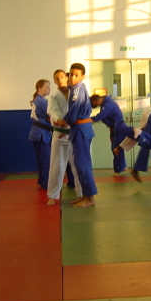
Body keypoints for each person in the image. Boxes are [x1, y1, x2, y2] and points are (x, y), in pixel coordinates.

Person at [56, 63, 97, 207]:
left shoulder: (77, 90)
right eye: (71, 74)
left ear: (82, 77)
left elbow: (73, 111)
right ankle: (86, 195)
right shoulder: (77, 88)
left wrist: (64, 121)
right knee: (81, 163)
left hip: (81, 128)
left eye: (76, 75)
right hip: (79, 128)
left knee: (82, 163)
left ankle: (89, 198)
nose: (73, 77)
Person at [46, 69, 82, 205]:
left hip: (75, 133)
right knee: (57, 165)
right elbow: (53, 110)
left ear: (66, 78)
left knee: (78, 165)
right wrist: (58, 119)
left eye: (62, 77)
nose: (60, 80)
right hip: (60, 133)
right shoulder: (53, 95)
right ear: (54, 81)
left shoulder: (75, 92)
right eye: (57, 78)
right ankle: (52, 195)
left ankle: (82, 194)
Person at [91, 94, 128, 176]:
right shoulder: (106, 103)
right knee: (119, 147)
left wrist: (92, 119)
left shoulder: (108, 104)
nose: (96, 106)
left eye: (95, 104)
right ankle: (123, 165)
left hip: (118, 127)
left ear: (97, 100)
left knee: (116, 148)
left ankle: (118, 170)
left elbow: (102, 115)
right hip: (116, 127)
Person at [29, 79, 52, 190]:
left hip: (39, 132)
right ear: (39, 88)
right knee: (45, 160)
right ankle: (45, 182)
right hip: (41, 134)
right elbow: (51, 115)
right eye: (47, 87)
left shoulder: (39, 100)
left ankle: (43, 180)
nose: (49, 89)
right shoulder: (41, 102)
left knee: (42, 159)